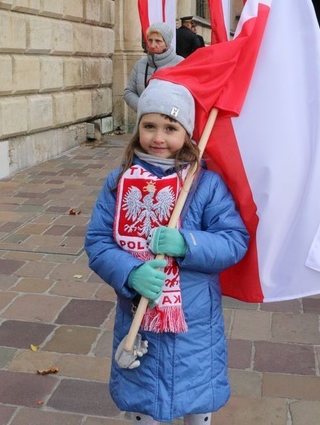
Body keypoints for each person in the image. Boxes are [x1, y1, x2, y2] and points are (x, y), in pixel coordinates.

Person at [85, 80, 249, 424]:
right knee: (144, 399)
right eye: (149, 126)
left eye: (170, 128)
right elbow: (98, 242)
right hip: (139, 316)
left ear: (186, 134)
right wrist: (129, 272)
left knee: (195, 396)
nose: (158, 138)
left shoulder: (205, 184)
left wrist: (186, 243)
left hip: (194, 322)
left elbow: (234, 240)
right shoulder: (119, 181)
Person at [124, 22, 183, 112]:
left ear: (167, 44)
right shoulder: (140, 64)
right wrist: (142, 107)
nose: (152, 45)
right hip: (144, 121)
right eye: (150, 40)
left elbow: (185, 96)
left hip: (169, 122)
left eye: (158, 41)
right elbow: (129, 92)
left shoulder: (180, 63)